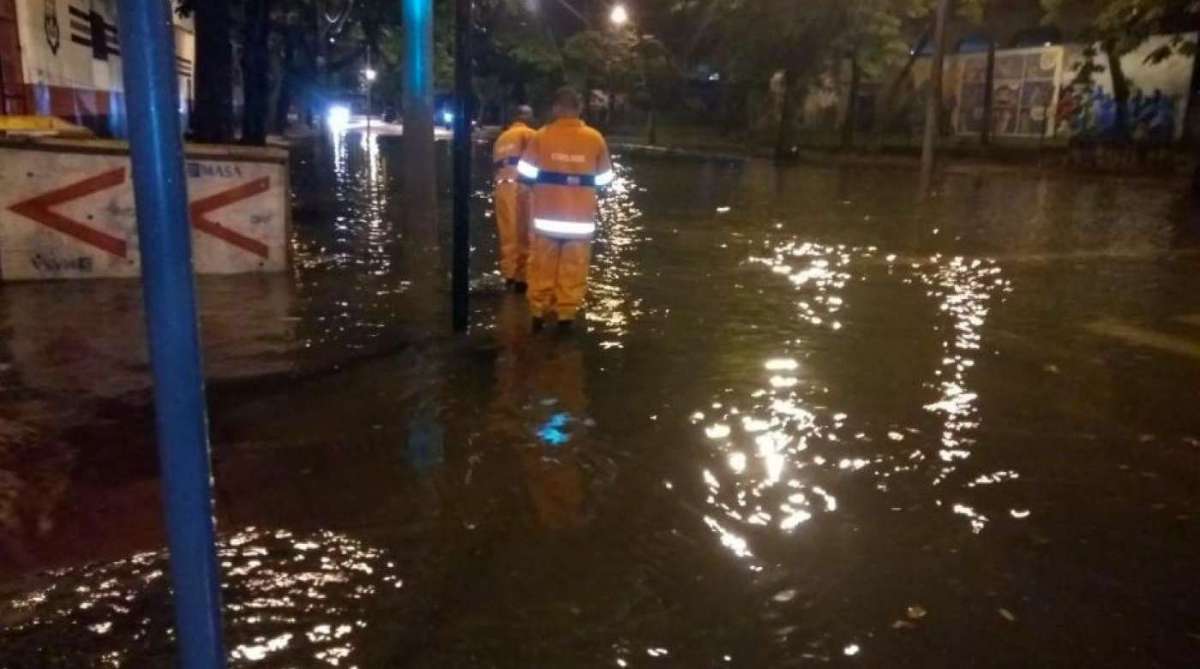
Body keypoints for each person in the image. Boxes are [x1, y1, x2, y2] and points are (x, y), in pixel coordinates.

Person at [517, 87, 614, 332]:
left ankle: (538, 313)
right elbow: (604, 180)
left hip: (546, 219)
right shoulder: (595, 138)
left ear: (555, 109)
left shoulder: (542, 136)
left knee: (541, 267)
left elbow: (524, 174)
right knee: (574, 269)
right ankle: (566, 316)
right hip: (579, 223)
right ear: (579, 108)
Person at [492, 105, 537, 291]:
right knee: (527, 232)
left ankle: (508, 274)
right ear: (526, 117)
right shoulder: (530, 134)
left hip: (502, 188)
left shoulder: (501, 138)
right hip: (522, 187)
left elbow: (496, 167)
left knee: (508, 233)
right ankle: (524, 277)